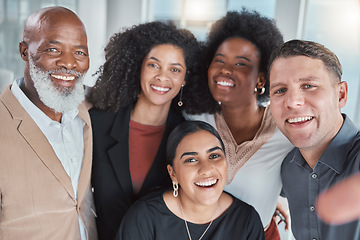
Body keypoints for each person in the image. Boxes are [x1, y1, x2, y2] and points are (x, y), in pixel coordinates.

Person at [184, 10, 294, 239]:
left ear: (261, 79)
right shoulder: (192, 119)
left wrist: (270, 202)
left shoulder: (287, 129)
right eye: (219, 60)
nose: (225, 69)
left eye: (241, 64)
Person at [87, 21, 202, 240]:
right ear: (138, 66)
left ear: (185, 78)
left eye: (175, 69)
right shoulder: (97, 123)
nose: (162, 76)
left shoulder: (188, 137)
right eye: (153, 65)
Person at [0, 6, 97, 240]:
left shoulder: (87, 108)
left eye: (80, 53)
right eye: (53, 49)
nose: (68, 63)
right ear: (24, 51)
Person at [268, 39, 360, 239]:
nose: (293, 102)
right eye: (280, 90)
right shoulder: (286, 167)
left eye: (308, 85)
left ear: (341, 95)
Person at [116, 121, 265, 240]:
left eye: (214, 156)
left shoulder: (246, 220)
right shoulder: (144, 217)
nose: (206, 169)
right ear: (172, 173)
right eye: (191, 159)